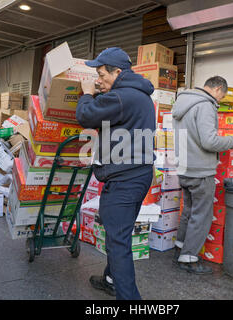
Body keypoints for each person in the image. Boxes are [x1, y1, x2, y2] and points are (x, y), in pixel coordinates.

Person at [76, 47, 155, 300]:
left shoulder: (121, 97)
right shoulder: (136, 95)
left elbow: (85, 116)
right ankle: (111, 279)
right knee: (118, 233)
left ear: (117, 72)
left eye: (101, 74)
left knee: (117, 242)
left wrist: (87, 94)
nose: (98, 80)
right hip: (136, 175)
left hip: (125, 179)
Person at [172, 76, 233, 274]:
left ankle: (180, 248)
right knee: (201, 215)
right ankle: (190, 258)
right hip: (200, 170)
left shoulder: (182, 102)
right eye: (222, 96)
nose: (220, 101)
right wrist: (232, 141)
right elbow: (209, 142)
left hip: (184, 168)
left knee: (189, 211)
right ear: (218, 88)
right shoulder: (206, 106)